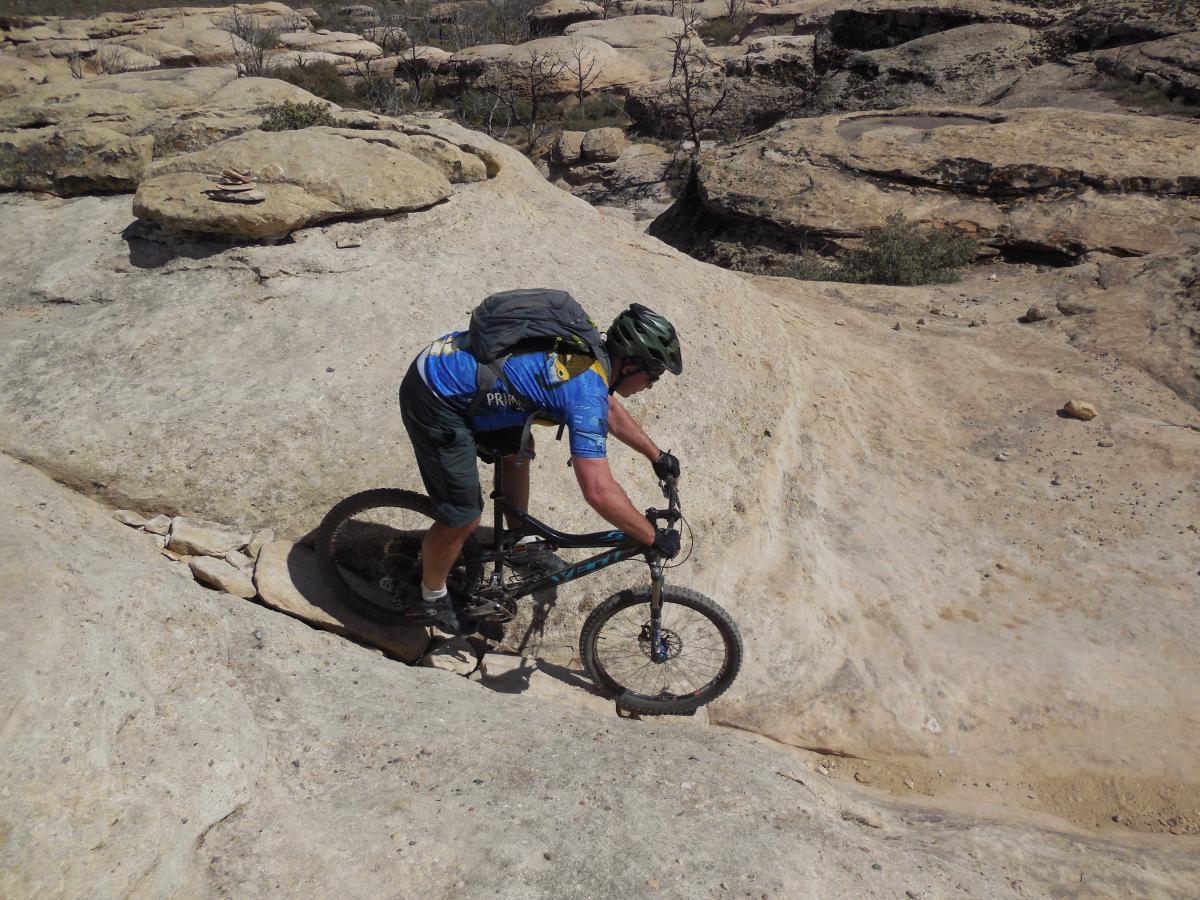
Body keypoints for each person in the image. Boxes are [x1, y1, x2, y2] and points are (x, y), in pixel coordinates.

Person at [399, 301, 683, 632]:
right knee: (464, 515)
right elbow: (598, 490)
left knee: (518, 447)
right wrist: (650, 536)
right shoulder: (585, 391)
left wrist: (656, 455)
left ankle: (516, 543)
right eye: (653, 375)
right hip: (435, 395)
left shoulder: (594, 357)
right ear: (631, 365)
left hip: (461, 373)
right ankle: (429, 597)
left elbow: (609, 408)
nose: (651, 384)